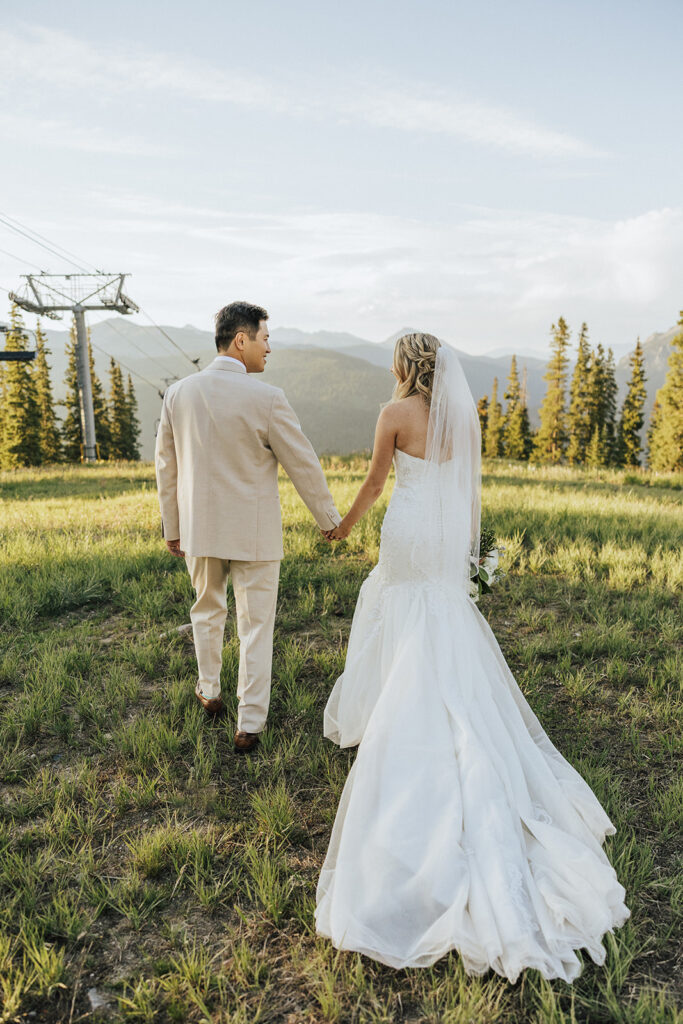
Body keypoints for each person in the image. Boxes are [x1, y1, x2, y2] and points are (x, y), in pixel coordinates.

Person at [315, 332, 629, 982]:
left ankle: (390, 707)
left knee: (396, 607)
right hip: (446, 534)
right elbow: (466, 491)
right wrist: (472, 561)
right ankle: (435, 699)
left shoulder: (393, 413)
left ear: (405, 366)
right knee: (442, 614)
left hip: (405, 530)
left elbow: (376, 479)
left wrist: (344, 525)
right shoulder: (462, 416)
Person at [155, 301, 341, 753]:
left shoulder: (179, 393)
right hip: (255, 534)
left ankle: (210, 690)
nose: (268, 348)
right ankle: (250, 723)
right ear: (241, 340)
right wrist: (329, 521)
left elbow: (167, 466)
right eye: (264, 338)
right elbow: (304, 464)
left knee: (206, 611)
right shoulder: (269, 398)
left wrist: (172, 527)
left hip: (199, 528)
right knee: (256, 626)